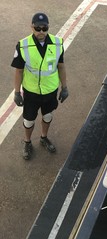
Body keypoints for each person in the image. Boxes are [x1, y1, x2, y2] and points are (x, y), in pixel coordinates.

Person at [11, 12, 69, 160]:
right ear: (32, 27)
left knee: (48, 115)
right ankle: (27, 142)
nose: (41, 32)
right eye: (38, 28)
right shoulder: (23, 45)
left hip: (50, 90)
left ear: (48, 27)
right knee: (29, 120)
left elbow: (61, 67)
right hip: (31, 92)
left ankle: (44, 138)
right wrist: (17, 92)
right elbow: (19, 71)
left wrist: (65, 88)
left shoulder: (57, 43)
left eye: (44, 28)